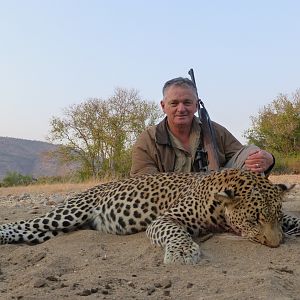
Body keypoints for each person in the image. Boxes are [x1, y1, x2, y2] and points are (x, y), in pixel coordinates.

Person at [130, 77, 274, 177]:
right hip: (170, 206)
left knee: (253, 152)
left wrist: (268, 158)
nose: (181, 109)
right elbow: (144, 183)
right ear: (163, 106)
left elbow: (243, 156)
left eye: (187, 102)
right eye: (174, 103)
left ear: (196, 105)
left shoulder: (215, 131)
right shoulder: (147, 140)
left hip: (217, 200)